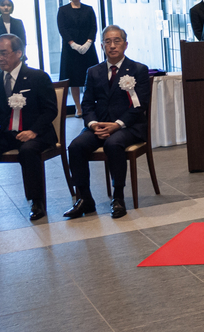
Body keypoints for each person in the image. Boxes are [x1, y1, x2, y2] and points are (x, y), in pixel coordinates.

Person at [0, 34, 57, 223]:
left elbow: (50, 110)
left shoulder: (37, 77)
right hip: (8, 134)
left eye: (4, 53)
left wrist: (34, 131)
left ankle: (36, 201)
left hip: (37, 133)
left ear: (19, 53)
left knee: (28, 151)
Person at [63, 25, 150, 220]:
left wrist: (117, 124)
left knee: (113, 143)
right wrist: (93, 124)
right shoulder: (93, 71)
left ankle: (118, 197)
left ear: (125, 44)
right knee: (76, 146)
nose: (112, 46)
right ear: (102, 46)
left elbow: (139, 106)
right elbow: (87, 103)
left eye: (117, 41)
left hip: (129, 126)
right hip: (99, 126)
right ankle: (84, 198)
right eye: (107, 42)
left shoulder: (138, 70)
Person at [57, 0, 99, 115]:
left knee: (90, 77)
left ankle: (89, 105)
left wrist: (88, 43)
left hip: (87, 47)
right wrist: (72, 43)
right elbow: (62, 28)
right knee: (73, 79)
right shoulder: (63, 10)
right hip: (71, 48)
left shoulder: (89, 9)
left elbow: (93, 27)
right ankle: (78, 107)